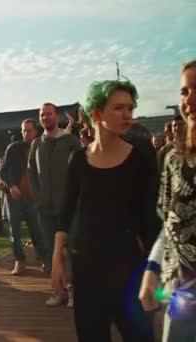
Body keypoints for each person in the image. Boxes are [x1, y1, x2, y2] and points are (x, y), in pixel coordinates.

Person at [52, 80, 157, 342]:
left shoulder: (141, 159)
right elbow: (66, 211)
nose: (127, 114)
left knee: (139, 336)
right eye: (118, 108)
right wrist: (57, 256)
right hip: (86, 267)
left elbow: (151, 219)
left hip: (128, 267)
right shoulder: (78, 160)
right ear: (96, 114)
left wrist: (153, 271)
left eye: (130, 108)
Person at [139, 60, 196, 341]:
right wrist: (152, 269)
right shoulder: (174, 159)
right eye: (185, 91)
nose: (190, 100)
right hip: (180, 291)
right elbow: (169, 222)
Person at [28, 102, 81, 306]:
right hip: (45, 208)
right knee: (51, 250)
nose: (46, 118)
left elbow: (80, 169)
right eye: (42, 115)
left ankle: (74, 290)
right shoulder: (36, 144)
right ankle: (59, 291)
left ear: (56, 116)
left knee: (69, 250)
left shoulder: (70, 141)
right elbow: (31, 170)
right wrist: (37, 196)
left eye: (49, 114)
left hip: (67, 208)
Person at [0, 118, 43, 276]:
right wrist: (12, 185)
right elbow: (3, 171)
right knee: (15, 232)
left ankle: (44, 258)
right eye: (24, 130)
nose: (26, 133)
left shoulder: (41, 147)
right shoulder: (13, 148)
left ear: (36, 131)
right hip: (15, 197)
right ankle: (19, 261)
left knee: (37, 230)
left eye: (29, 130)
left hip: (33, 197)